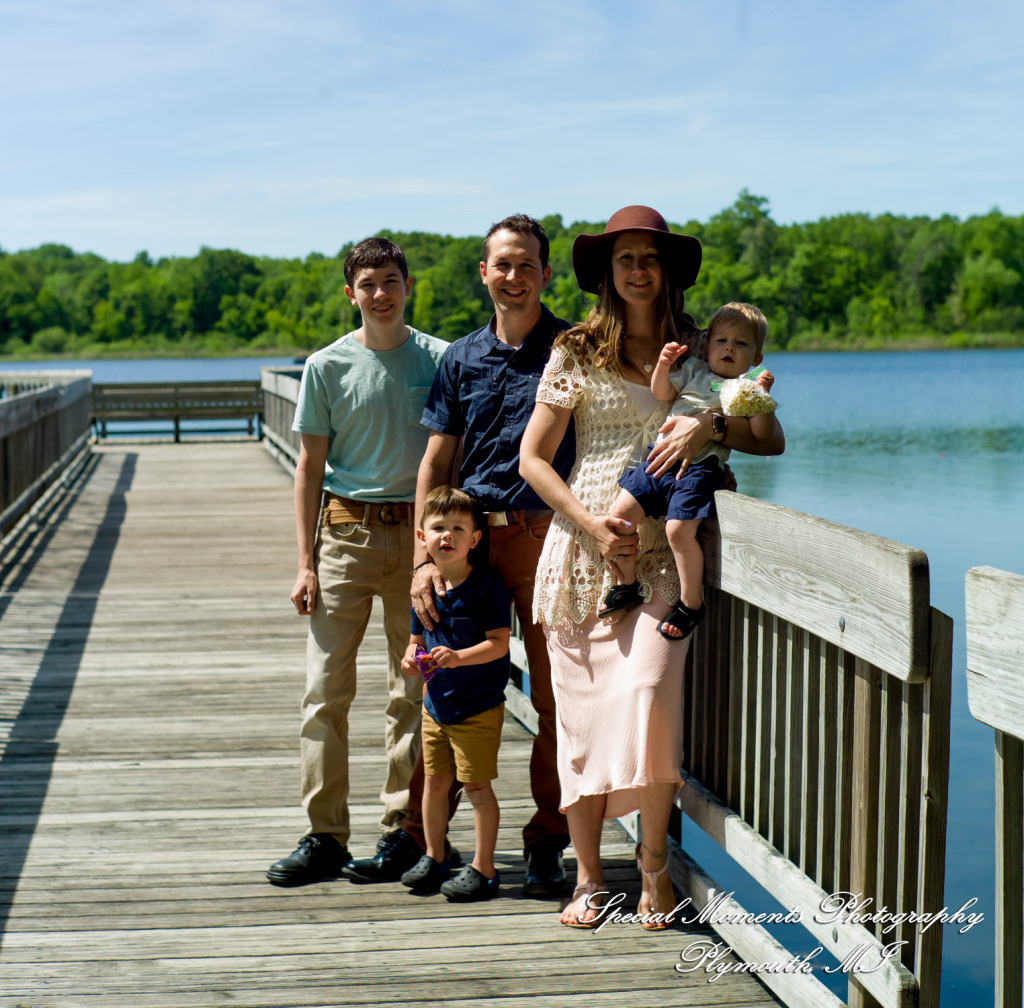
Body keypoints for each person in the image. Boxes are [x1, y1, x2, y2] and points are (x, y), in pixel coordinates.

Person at [518, 205, 785, 928]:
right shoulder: (575, 349)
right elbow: (533, 459)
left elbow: (770, 437)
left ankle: (654, 870)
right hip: (582, 554)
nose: (638, 270)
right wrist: (586, 523)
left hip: (667, 561)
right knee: (579, 722)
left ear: (668, 271)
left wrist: (712, 424)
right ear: (607, 272)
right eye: (625, 258)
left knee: (650, 697)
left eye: (650, 258)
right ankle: (586, 880)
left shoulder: (703, 347)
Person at [342, 214, 576, 897]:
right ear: (484, 273)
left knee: (556, 696)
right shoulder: (461, 358)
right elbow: (437, 459)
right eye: (501, 264)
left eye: (525, 264)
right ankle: (424, 841)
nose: (513, 276)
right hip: (462, 546)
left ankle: (546, 840)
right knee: (436, 685)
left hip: (540, 539)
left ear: (545, 273)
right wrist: (423, 554)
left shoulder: (571, 349)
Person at [266, 237, 448, 887]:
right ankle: (324, 836)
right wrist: (304, 561)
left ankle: (403, 829)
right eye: (368, 283)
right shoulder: (326, 366)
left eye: (391, 280)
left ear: (407, 286)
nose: (381, 292)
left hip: (419, 547)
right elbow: (309, 468)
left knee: (413, 690)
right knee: (324, 693)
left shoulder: (439, 359)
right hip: (343, 538)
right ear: (352, 293)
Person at [600, 301, 779, 640]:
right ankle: (626, 582)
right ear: (707, 344)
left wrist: (763, 398)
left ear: (756, 358)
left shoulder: (744, 388)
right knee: (621, 515)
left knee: (678, 531)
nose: (729, 347)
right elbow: (662, 392)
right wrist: (664, 365)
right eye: (722, 340)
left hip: (701, 469)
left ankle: (690, 603)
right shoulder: (695, 369)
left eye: (741, 344)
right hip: (661, 457)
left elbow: (765, 436)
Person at [399, 487, 511, 902]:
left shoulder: (485, 589)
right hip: (436, 706)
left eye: (458, 529)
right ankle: (434, 854)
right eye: (438, 528)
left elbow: (499, 643)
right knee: (433, 784)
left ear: (474, 540)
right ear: (421, 537)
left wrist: (458, 657)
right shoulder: (422, 587)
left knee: (476, 788)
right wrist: (412, 657)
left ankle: (484, 867)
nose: (446, 536)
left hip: (477, 709)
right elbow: (415, 641)